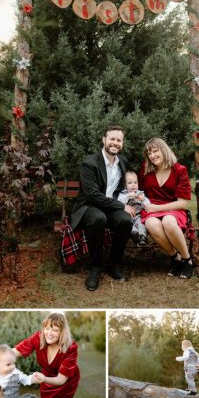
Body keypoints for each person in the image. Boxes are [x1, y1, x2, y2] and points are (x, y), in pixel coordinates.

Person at [69, 124, 134, 291]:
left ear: (122, 143)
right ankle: (94, 267)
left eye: (119, 140)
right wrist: (121, 205)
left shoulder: (123, 162)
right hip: (89, 207)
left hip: (110, 207)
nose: (115, 143)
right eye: (112, 139)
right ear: (104, 140)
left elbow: (124, 187)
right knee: (99, 218)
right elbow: (93, 195)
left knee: (126, 220)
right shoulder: (89, 163)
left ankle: (114, 264)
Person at [0, 313, 81, 398]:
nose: (49, 333)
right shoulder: (38, 338)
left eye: (54, 330)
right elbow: (15, 351)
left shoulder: (70, 348)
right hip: (45, 378)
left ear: (62, 332)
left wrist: (44, 379)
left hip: (65, 382)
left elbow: (60, 380)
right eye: (47, 328)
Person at [138, 136, 194, 279]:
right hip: (151, 210)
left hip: (174, 209)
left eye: (155, 151)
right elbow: (139, 191)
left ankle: (187, 259)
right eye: (149, 153)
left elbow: (183, 203)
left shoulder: (180, 170)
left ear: (164, 150)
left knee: (168, 222)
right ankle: (175, 257)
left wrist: (156, 208)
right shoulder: (145, 169)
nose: (152, 156)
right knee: (151, 224)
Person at [117, 170, 148, 245]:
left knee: (141, 223)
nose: (133, 185)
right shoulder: (123, 194)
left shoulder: (140, 193)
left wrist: (143, 200)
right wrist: (127, 196)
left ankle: (142, 237)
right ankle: (134, 234)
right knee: (130, 223)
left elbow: (147, 205)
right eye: (130, 183)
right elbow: (119, 202)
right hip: (127, 215)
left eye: (135, 182)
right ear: (125, 185)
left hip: (138, 215)